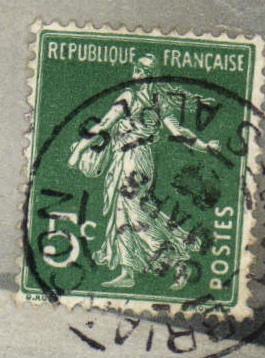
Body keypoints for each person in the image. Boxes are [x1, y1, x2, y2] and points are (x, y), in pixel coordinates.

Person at [66, 53, 222, 289]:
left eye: (144, 72)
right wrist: (205, 146)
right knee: (129, 212)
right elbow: (180, 133)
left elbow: (104, 125)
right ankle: (129, 271)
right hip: (138, 159)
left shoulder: (131, 97)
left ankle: (176, 258)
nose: (140, 76)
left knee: (134, 213)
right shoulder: (160, 100)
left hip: (132, 160)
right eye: (138, 71)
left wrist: (79, 150)